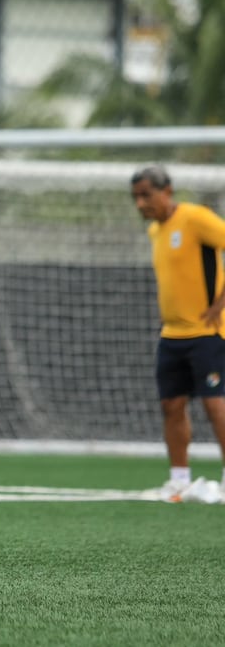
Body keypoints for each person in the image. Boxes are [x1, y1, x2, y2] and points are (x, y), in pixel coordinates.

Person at [132, 166, 225, 504]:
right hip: (172, 337)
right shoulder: (156, 231)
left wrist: (220, 304)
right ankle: (179, 481)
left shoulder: (196, 218)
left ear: (167, 190)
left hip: (207, 333)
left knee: (216, 406)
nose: (141, 204)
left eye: (147, 195)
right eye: (136, 198)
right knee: (171, 405)